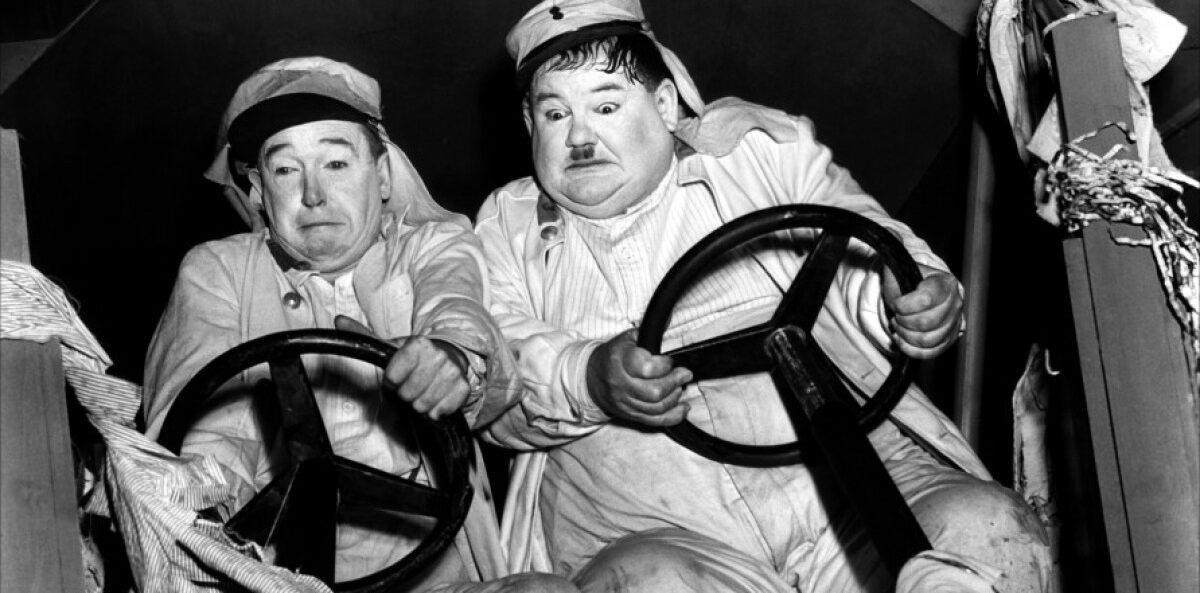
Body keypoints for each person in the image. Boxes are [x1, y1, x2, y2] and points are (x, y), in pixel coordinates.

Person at [468, 1, 1053, 592]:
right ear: (529, 125)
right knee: (645, 585)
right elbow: (493, 383)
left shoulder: (760, 153)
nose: (579, 137)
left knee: (984, 527)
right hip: (647, 534)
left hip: (852, 494)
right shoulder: (504, 230)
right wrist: (590, 378)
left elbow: (865, 243)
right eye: (554, 114)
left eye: (605, 106)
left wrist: (906, 296)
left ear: (664, 104)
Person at [142, 57, 519, 588]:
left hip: (436, 567)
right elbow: (204, 428)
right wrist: (208, 516)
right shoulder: (219, 271)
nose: (313, 195)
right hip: (274, 575)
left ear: (382, 176)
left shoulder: (431, 247)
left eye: (336, 164)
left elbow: (456, 306)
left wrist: (451, 355)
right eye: (286, 170)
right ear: (258, 191)